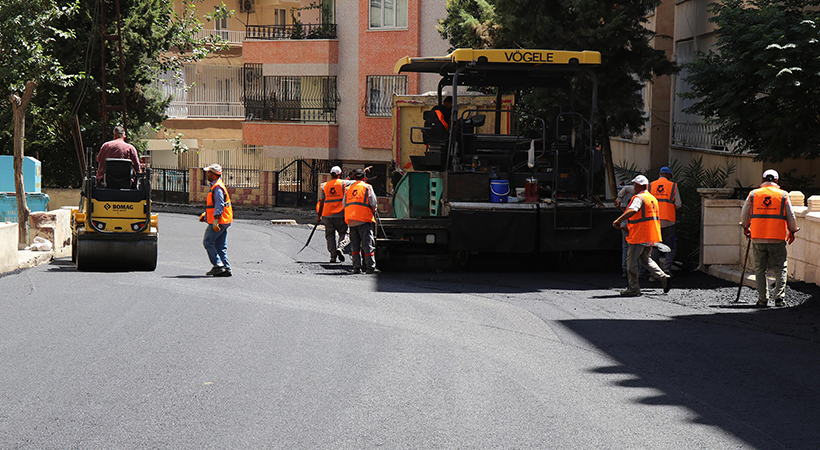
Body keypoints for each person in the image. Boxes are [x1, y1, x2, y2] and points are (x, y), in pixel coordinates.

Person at [741, 169, 799, 307]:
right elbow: (791, 216)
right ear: (777, 181)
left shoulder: (753, 194)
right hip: (777, 238)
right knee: (780, 268)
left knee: (760, 269)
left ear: (762, 180)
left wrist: (745, 227)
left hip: (758, 237)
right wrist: (792, 231)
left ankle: (762, 299)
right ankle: (779, 299)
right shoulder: (783, 195)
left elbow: (744, 215)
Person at [612, 175, 671, 296]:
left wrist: (618, 220)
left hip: (638, 235)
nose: (634, 187)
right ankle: (663, 277)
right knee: (645, 259)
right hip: (649, 235)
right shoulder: (652, 198)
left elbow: (633, 210)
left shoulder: (639, 198)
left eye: (635, 185)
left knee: (631, 262)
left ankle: (633, 288)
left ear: (638, 186)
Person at [199, 164, 233, 277]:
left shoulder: (217, 187)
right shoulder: (217, 185)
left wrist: (215, 221)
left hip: (220, 221)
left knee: (208, 242)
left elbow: (220, 205)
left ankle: (218, 266)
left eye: (208, 172)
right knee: (220, 245)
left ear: (214, 174)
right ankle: (226, 267)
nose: (206, 174)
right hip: (224, 220)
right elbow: (214, 205)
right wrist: (206, 216)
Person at [316, 166, 354, 263]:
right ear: (339, 174)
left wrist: (318, 216)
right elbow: (356, 182)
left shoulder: (325, 186)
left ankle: (332, 256)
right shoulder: (343, 183)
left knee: (330, 236)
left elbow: (322, 201)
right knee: (344, 233)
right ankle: (341, 247)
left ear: (330, 174)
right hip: (340, 214)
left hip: (327, 215)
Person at [344, 169, 378, 274]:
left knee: (355, 245)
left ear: (354, 177)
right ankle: (370, 267)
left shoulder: (348, 188)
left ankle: (356, 267)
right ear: (364, 178)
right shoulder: (367, 187)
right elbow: (373, 203)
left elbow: (344, 204)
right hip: (363, 219)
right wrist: (374, 210)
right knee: (367, 244)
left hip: (351, 219)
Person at [648, 166, 682, 274]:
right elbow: (678, 204)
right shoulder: (673, 186)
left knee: (655, 247)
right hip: (668, 221)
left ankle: (655, 273)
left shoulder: (650, 186)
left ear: (659, 175)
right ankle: (667, 268)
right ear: (669, 176)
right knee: (670, 247)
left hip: (653, 221)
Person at [615, 182, 636, 278]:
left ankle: (625, 270)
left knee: (626, 248)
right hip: (635, 225)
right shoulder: (645, 196)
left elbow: (626, 188)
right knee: (639, 249)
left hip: (626, 223)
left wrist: (618, 199)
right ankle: (639, 271)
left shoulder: (636, 195)